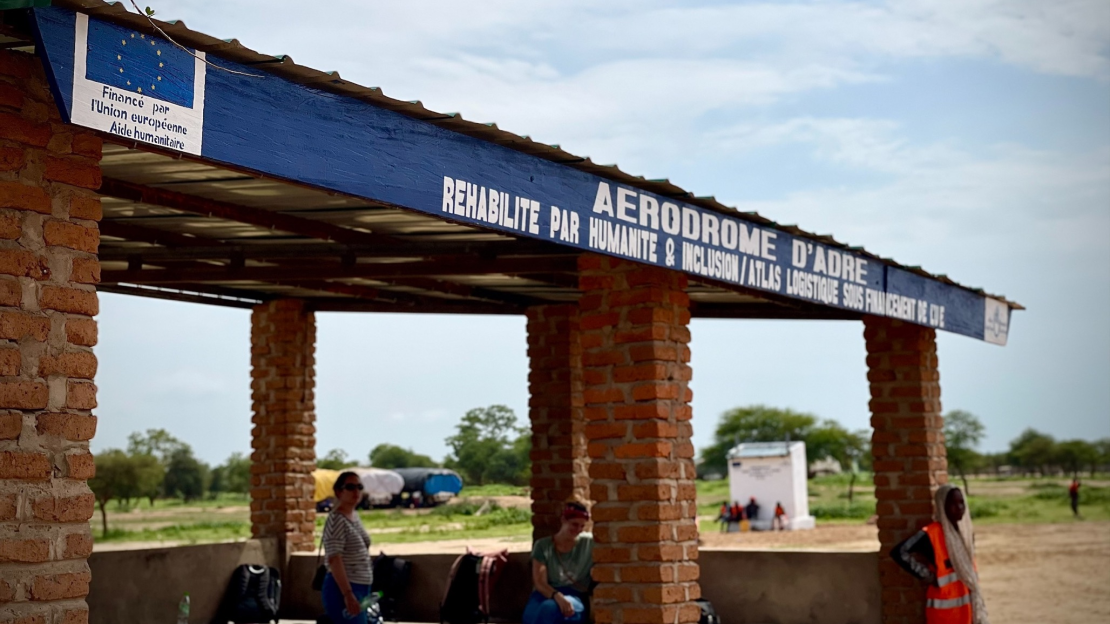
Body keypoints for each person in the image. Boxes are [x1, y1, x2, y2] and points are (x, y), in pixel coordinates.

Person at [891, 485, 990, 624]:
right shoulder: (931, 534)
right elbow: (899, 552)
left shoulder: (965, 533)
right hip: (945, 614)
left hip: (968, 610)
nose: (959, 507)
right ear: (942, 506)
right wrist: (928, 576)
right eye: (953, 504)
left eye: (961, 502)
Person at [523, 501, 594, 624]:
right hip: (547, 593)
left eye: (582, 526)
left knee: (550, 610)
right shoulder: (543, 546)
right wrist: (557, 596)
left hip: (575, 594)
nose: (578, 529)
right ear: (563, 520)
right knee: (532, 615)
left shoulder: (588, 543)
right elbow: (540, 583)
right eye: (574, 524)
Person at [321, 471, 374, 624]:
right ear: (339, 491)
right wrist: (347, 593)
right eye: (350, 487)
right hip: (344, 588)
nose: (356, 491)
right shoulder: (337, 520)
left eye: (359, 487)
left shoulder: (354, 516)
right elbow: (334, 558)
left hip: (361, 587)